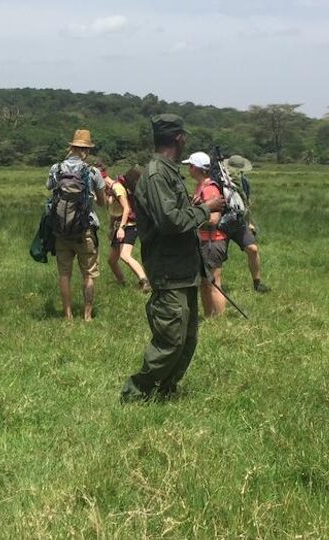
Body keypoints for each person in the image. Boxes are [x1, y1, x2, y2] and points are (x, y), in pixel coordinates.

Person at [120, 114, 224, 402]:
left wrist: (189, 206)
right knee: (171, 340)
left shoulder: (168, 171)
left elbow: (172, 212)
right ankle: (135, 393)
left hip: (184, 269)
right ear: (179, 139)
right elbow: (170, 222)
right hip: (169, 271)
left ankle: (164, 390)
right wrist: (207, 209)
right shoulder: (157, 174)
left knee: (187, 338)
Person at [46, 129, 108, 321]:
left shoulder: (56, 169)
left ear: (71, 147)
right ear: (86, 150)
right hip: (85, 230)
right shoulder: (92, 172)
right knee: (88, 274)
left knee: (65, 274)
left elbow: (49, 187)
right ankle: (87, 316)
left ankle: (68, 315)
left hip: (61, 231)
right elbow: (102, 202)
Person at [185, 151, 227, 317]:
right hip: (203, 240)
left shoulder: (209, 189)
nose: (188, 169)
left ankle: (221, 321)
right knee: (204, 283)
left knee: (214, 282)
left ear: (196, 168)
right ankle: (209, 317)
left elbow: (215, 219)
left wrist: (194, 215)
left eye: (190, 166)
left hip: (212, 241)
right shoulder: (200, 187)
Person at [222, 154, 270, 293]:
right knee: (218, 257)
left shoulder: (245, 183)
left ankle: (257, 283)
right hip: (223, 222)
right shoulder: (220, 181)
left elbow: (246, 205)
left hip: (239, 222)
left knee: (253, 250)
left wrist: (249, 222)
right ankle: (211, 285)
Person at [104, 165, 151, 292]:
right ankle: (122, 284)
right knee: (112, 260)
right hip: (120, 226)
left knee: (125, 255)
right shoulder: (117, 187)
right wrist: (110, 228)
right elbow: (115, 211)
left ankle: (145, 281)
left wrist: (121, 228)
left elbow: (126, 210)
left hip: (128, 225)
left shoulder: (118, 188)